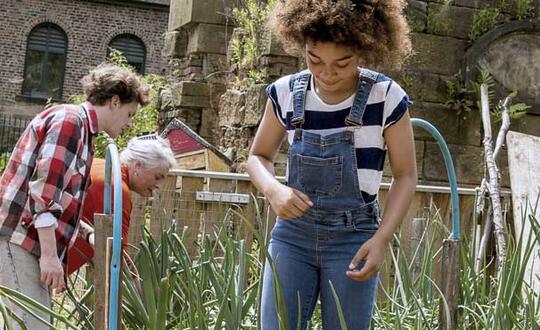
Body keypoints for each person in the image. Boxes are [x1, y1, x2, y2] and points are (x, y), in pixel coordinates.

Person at [246, 1, 417, 329]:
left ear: (364, 50)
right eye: (314, 60)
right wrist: (273, 190)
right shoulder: (284, 93)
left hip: (355, 238)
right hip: (293, 236)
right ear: (302, 46)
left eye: (343, 63)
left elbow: (406, 176)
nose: (327, 73)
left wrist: (382, 239)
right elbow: (258, 157)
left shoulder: (386, 97)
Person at [0, 63, 149, 329]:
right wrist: (49, 256)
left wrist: (86, 233)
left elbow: (58, 199)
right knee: (31, 325)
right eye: (130, 113)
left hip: (24, 240)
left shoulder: (84, 132)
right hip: (17, 239)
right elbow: (43, 192)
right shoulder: (71, 122)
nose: (129, 123)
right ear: (114, 101)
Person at [66, 136, 176, 275]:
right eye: (157, 177)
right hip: (42, 260)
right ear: (137, 165)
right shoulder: (117, 191)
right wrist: (139, 293)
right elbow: (117, 256)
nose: (159, 186)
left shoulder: (101, 165)